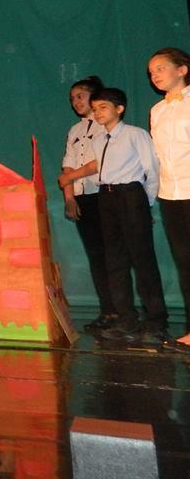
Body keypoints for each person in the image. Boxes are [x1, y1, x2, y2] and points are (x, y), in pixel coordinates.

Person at [88, 87, 167, 343]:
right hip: (106, 196)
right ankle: (126, 319)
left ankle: (155, 321)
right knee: (115, 260)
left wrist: (146, 203)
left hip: (131, 194)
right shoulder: (98, 140)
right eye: (95, 108)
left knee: (142, 259)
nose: (97, 113)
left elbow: (151, 169)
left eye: (103, 107)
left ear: (119, 108)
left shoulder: (135, 134)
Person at [55, 75, 116, 332]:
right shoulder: (75, 130)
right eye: (72, 99)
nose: (75, 102)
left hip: (104, 194)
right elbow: (67, 166)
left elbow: (100, 162)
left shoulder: (105, 125)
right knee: (95, 255)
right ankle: (108, 311)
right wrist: (69, 197)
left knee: (112, 254)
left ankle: (123, 311)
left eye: (80, 96)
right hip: (82, 197)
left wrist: (71, 177)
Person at [147, 47, 190, 349]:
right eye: (151, 72)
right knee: (185, 263)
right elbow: (158, 157)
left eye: (160, 68)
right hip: (170, 195)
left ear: (182, 69)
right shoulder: (157, 111)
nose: (155, 75)